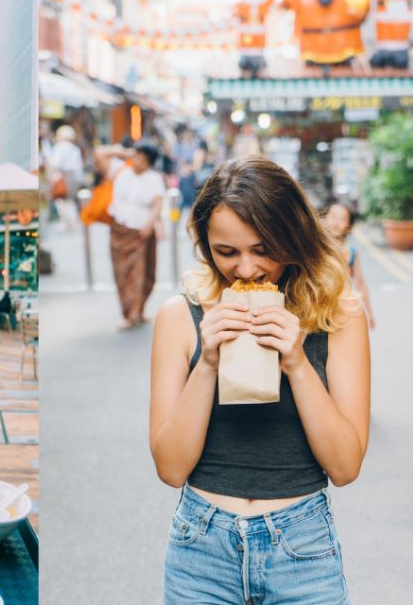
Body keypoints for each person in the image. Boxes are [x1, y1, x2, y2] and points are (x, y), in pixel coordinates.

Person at [150, 158, 370, 603]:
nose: (246, 270)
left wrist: (297, 362)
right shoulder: (179, 317)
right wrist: (208, 361)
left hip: (302, 545)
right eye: (226, 252)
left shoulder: (339, 316)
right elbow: (171, 469)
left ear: (294, 239)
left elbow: (345, 467)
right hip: (200, 548)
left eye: (263, 249)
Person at [107, 142, 166, 330]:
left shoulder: (154, 178)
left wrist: (151, 224)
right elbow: (99, 154)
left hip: (142, 232)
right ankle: (129, 313)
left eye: (142, 157)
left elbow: (158, 203)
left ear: (149, 162)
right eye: (136, 155)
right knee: (122, 273)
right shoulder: (120, 171)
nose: (137, 160)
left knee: (143, 272)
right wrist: (125, 152)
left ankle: (137, 310)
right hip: (119, 229)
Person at [324, 202, 375, 329]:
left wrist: (369, 313)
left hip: (340, 310)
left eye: (342, 219)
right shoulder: (317, 248)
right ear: (324, 218)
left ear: (349, 227)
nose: (336, 222)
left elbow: (360, 283)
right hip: (317, 308)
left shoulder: (351, 253)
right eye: (333, 216)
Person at [46, 124, 87, 230]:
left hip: (62, 177)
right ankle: (69, 223)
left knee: (61, 200)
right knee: (69, 201)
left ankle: (71, 223)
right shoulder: (75, 149)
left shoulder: (60, 147)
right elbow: (79, 167)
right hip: (74, 177)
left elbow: (55, 163)